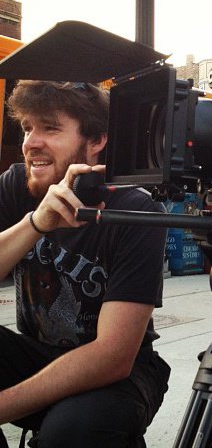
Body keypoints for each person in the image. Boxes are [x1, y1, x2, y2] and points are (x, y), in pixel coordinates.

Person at [0, 81, 171, 447]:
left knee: (73, 431)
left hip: (122, 376)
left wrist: (3, 405)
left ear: (96, 141)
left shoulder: (136, 210)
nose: (31, 142)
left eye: (50, 127)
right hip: (38, 353)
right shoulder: (17, 185)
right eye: (28, 127)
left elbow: (113, 357)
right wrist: (34, 224)